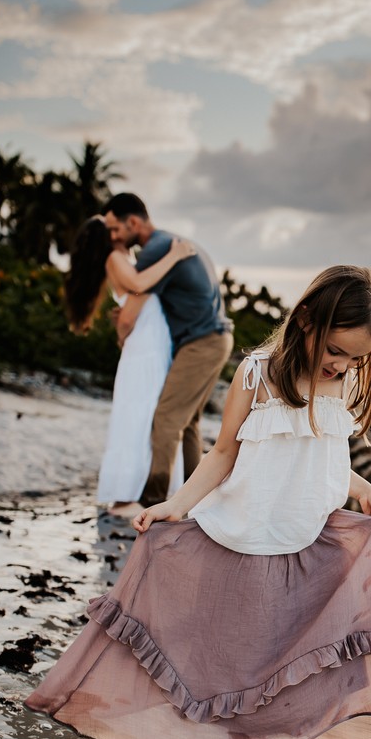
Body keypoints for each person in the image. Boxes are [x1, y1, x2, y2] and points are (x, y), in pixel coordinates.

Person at [26, 265, 371, 739]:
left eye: (356, 358)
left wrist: (361, 486)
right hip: (247, 540)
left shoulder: (343, 382)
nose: (342, 364)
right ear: (305, 319)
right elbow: (223, 453)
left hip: (309, 541)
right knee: (244, 655)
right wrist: (176, 505)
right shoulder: (258, 373)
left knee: (295, 652)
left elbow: (321, 452)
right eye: (335, 349)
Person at [103, 192, 234, 507]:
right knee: (187, 422)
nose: (113, 237)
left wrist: (123, 333)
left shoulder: (156, 250)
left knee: (166, 419)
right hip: (216, 339)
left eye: (115, 229)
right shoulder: (171, 243)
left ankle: (154, 501)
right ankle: (198, 499)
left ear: (133, 222)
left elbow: (134, 303)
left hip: (201, 343)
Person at [65, 216, 194, 516]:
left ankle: (143, 491)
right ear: (106, 237)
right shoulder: (115, 257)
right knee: (140, 414)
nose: (116, 229)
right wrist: (174, 256)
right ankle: (127, 495)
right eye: (109, 227)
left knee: (149, 413)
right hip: (145, 345)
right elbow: (139, 285)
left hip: (153, 343)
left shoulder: (124, 256)